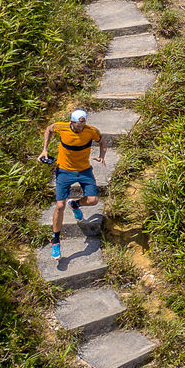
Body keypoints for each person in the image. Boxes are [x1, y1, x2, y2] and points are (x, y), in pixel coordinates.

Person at [39, 109, 106, 261]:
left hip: (84, 170)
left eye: (83, 124)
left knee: (93, 200)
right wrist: (45, 150)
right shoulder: (61, 127)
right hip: (64, 170)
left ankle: (75, 204)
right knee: (60, 206)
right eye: (78, 124)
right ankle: (55, 240)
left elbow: (102, 141)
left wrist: (102, 156)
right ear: (72, 122)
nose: (81, 127)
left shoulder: (91, 131)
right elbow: (48, 129)